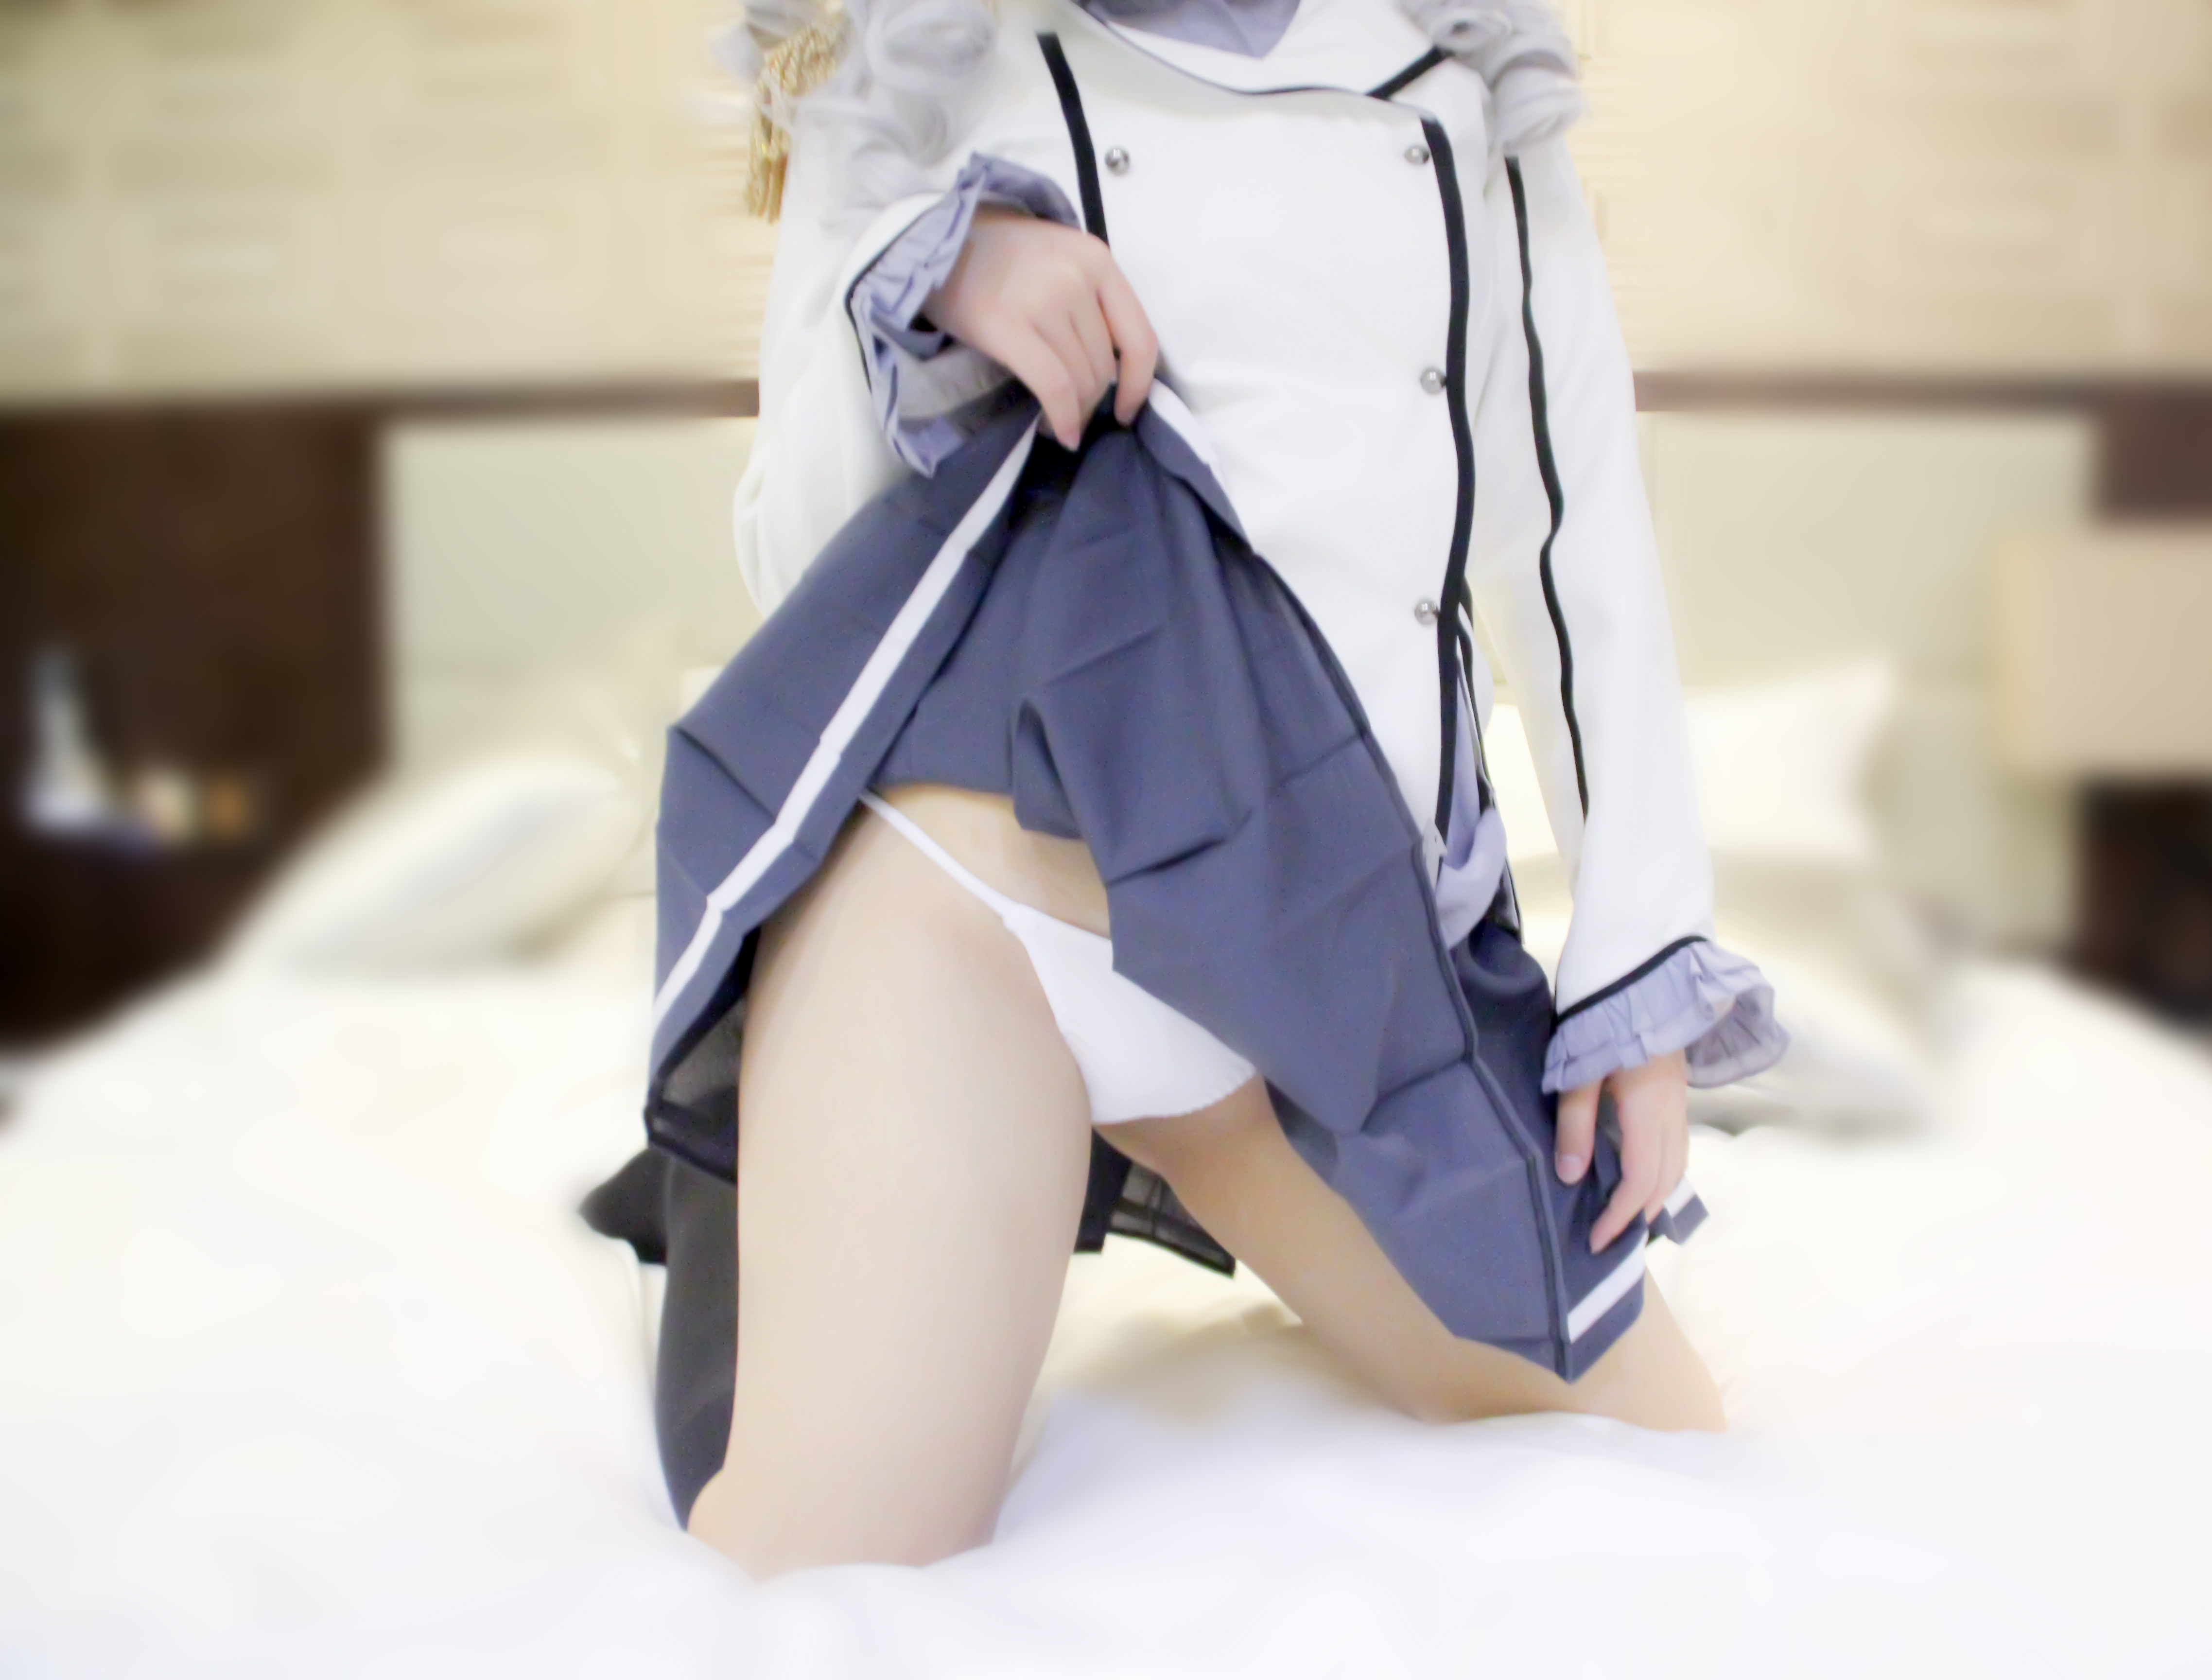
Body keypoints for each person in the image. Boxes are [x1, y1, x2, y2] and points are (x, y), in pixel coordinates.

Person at [596, 0, 1789, 1577]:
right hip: (985, 913)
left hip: (1331, 953)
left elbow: (1569, 531)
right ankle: (747, 1187)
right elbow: (803, 560)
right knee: (827, 1563)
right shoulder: (911, 50)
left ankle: (960, 1171)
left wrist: (1637, 968)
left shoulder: (1471, 67)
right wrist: (936, 279)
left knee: (1667, 1451)